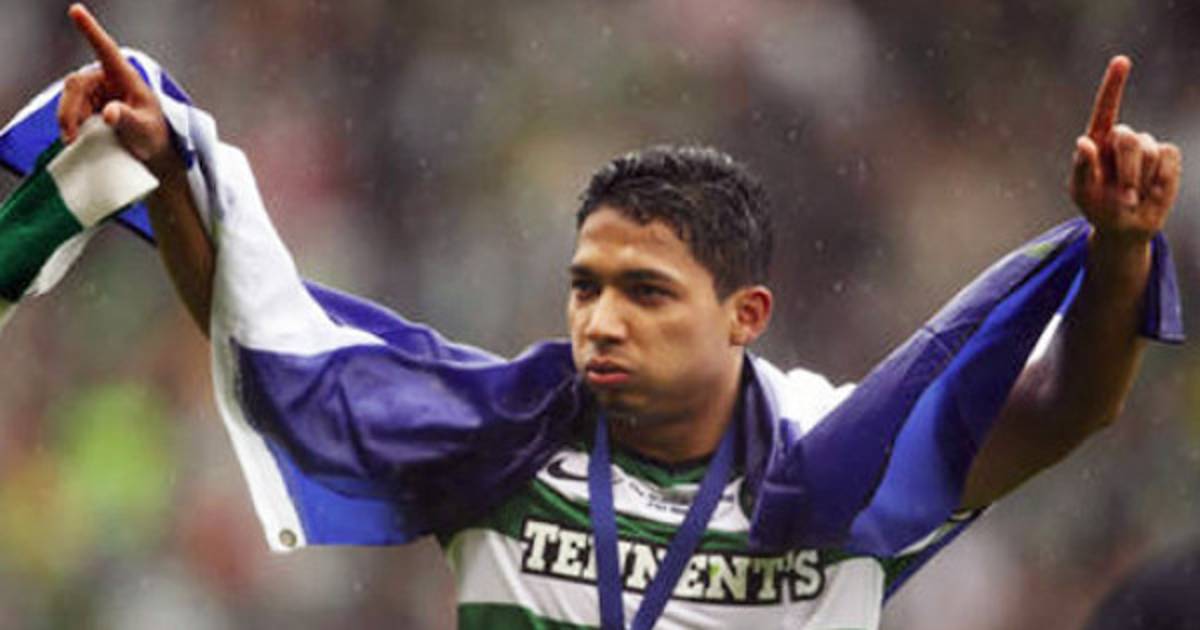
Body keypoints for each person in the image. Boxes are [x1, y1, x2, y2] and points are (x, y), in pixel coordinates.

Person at [49, 4, 1183, 629]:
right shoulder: (488, 438)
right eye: (585, 285)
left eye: (646, 293)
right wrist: (171, 176)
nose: (599, 320)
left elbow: (1069, 407)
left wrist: (1120, 248)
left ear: (745, 315)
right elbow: (273, 343)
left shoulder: (843, 459)